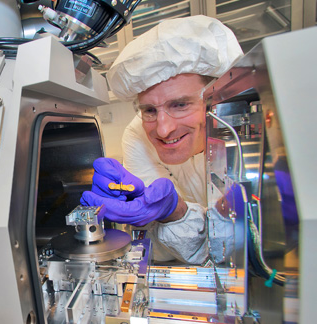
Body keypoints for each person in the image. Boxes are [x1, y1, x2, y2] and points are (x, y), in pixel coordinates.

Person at [81, 15, 243, 264]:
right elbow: (161, 249)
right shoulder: (138, 134)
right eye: (149, 110)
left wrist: (175, 211)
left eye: (180, 104)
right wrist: (165, 213)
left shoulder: (241, 137)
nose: (164, 129)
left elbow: (234, 248)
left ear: (216, 97)